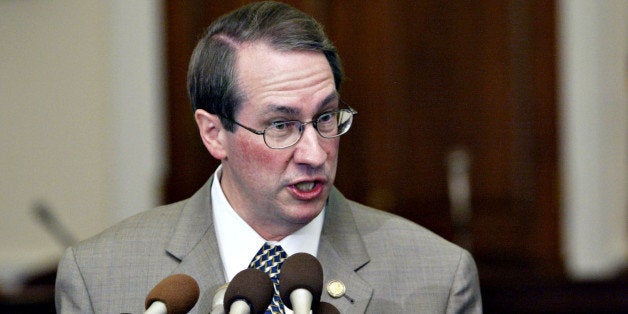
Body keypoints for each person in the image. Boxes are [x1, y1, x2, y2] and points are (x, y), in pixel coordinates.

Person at [55, 1, 482, 313]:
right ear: (214, 133)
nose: (315, 153)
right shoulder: (99, 279)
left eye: (327, 117)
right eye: (281, 125)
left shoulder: (438, 279)